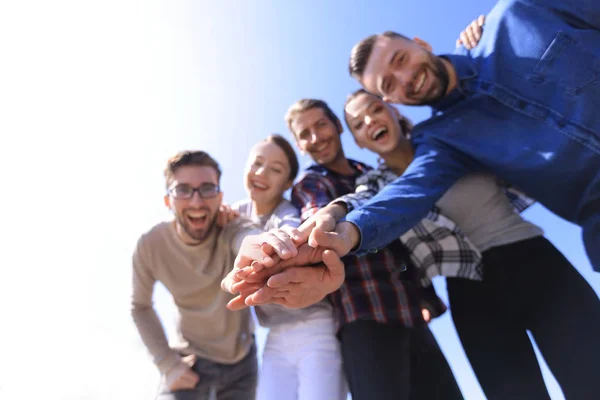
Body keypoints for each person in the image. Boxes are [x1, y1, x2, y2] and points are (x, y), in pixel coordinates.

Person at [330, 90, 600, 399]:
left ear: (394, 111)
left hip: (536, 265)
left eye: (375, 109)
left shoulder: (449, 137)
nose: (370, 121)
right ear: (360, 143)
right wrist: (331, 213)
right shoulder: (376, 186)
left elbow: (487, 104)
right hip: (471, 295)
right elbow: (356, 203)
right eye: (358, 124)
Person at [335, 0, 600, 271]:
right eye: (389, 84)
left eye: (401, 59)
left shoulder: (519, 14)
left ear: (422, 44)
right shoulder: (442, 139)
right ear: (391, 99)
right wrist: (348, 232)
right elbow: (409, 191)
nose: (406, 78)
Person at [228, 99, 463, 400]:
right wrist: (326, 223)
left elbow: (405, 241)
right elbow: (317, 219)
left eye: (321, 125)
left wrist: (426, 296)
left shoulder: (371, 172)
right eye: (305, 134)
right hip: (362, 317)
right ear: (300, 145)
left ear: (338, 126)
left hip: (408, 311)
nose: (316, 138)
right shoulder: (311, 183)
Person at [131, 151, 261, 400]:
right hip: (188, 363)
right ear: (168, 201)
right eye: (183, 190)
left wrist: (260, 245)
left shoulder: (230, 226)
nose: (196, 201)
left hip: (242, 363)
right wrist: (167, 364)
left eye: (207, 189)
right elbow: (139, 306)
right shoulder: (151, 245)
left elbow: (249, 237)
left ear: (220, 197)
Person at [232, 134, 347, 400]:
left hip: (317, 326)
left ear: (287, 183)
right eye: (257, 163)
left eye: (276, 169)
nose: (261, 173)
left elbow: (290, 229)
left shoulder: (286, 212)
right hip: (274, 334)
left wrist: (278, 241)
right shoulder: (234, 213)